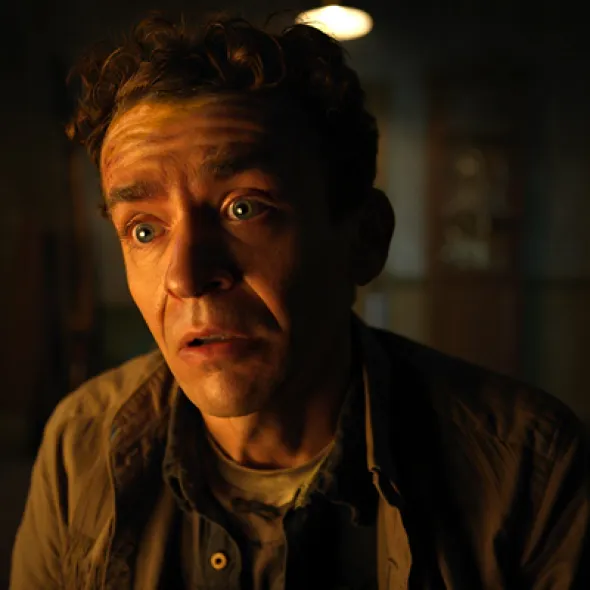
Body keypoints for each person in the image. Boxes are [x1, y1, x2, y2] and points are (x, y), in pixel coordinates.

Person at [10, 13, 589, 590]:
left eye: (244, 208)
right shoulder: (82, 444)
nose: (185, 278)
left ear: (364, 238)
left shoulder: (528, 471)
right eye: (144, 229)